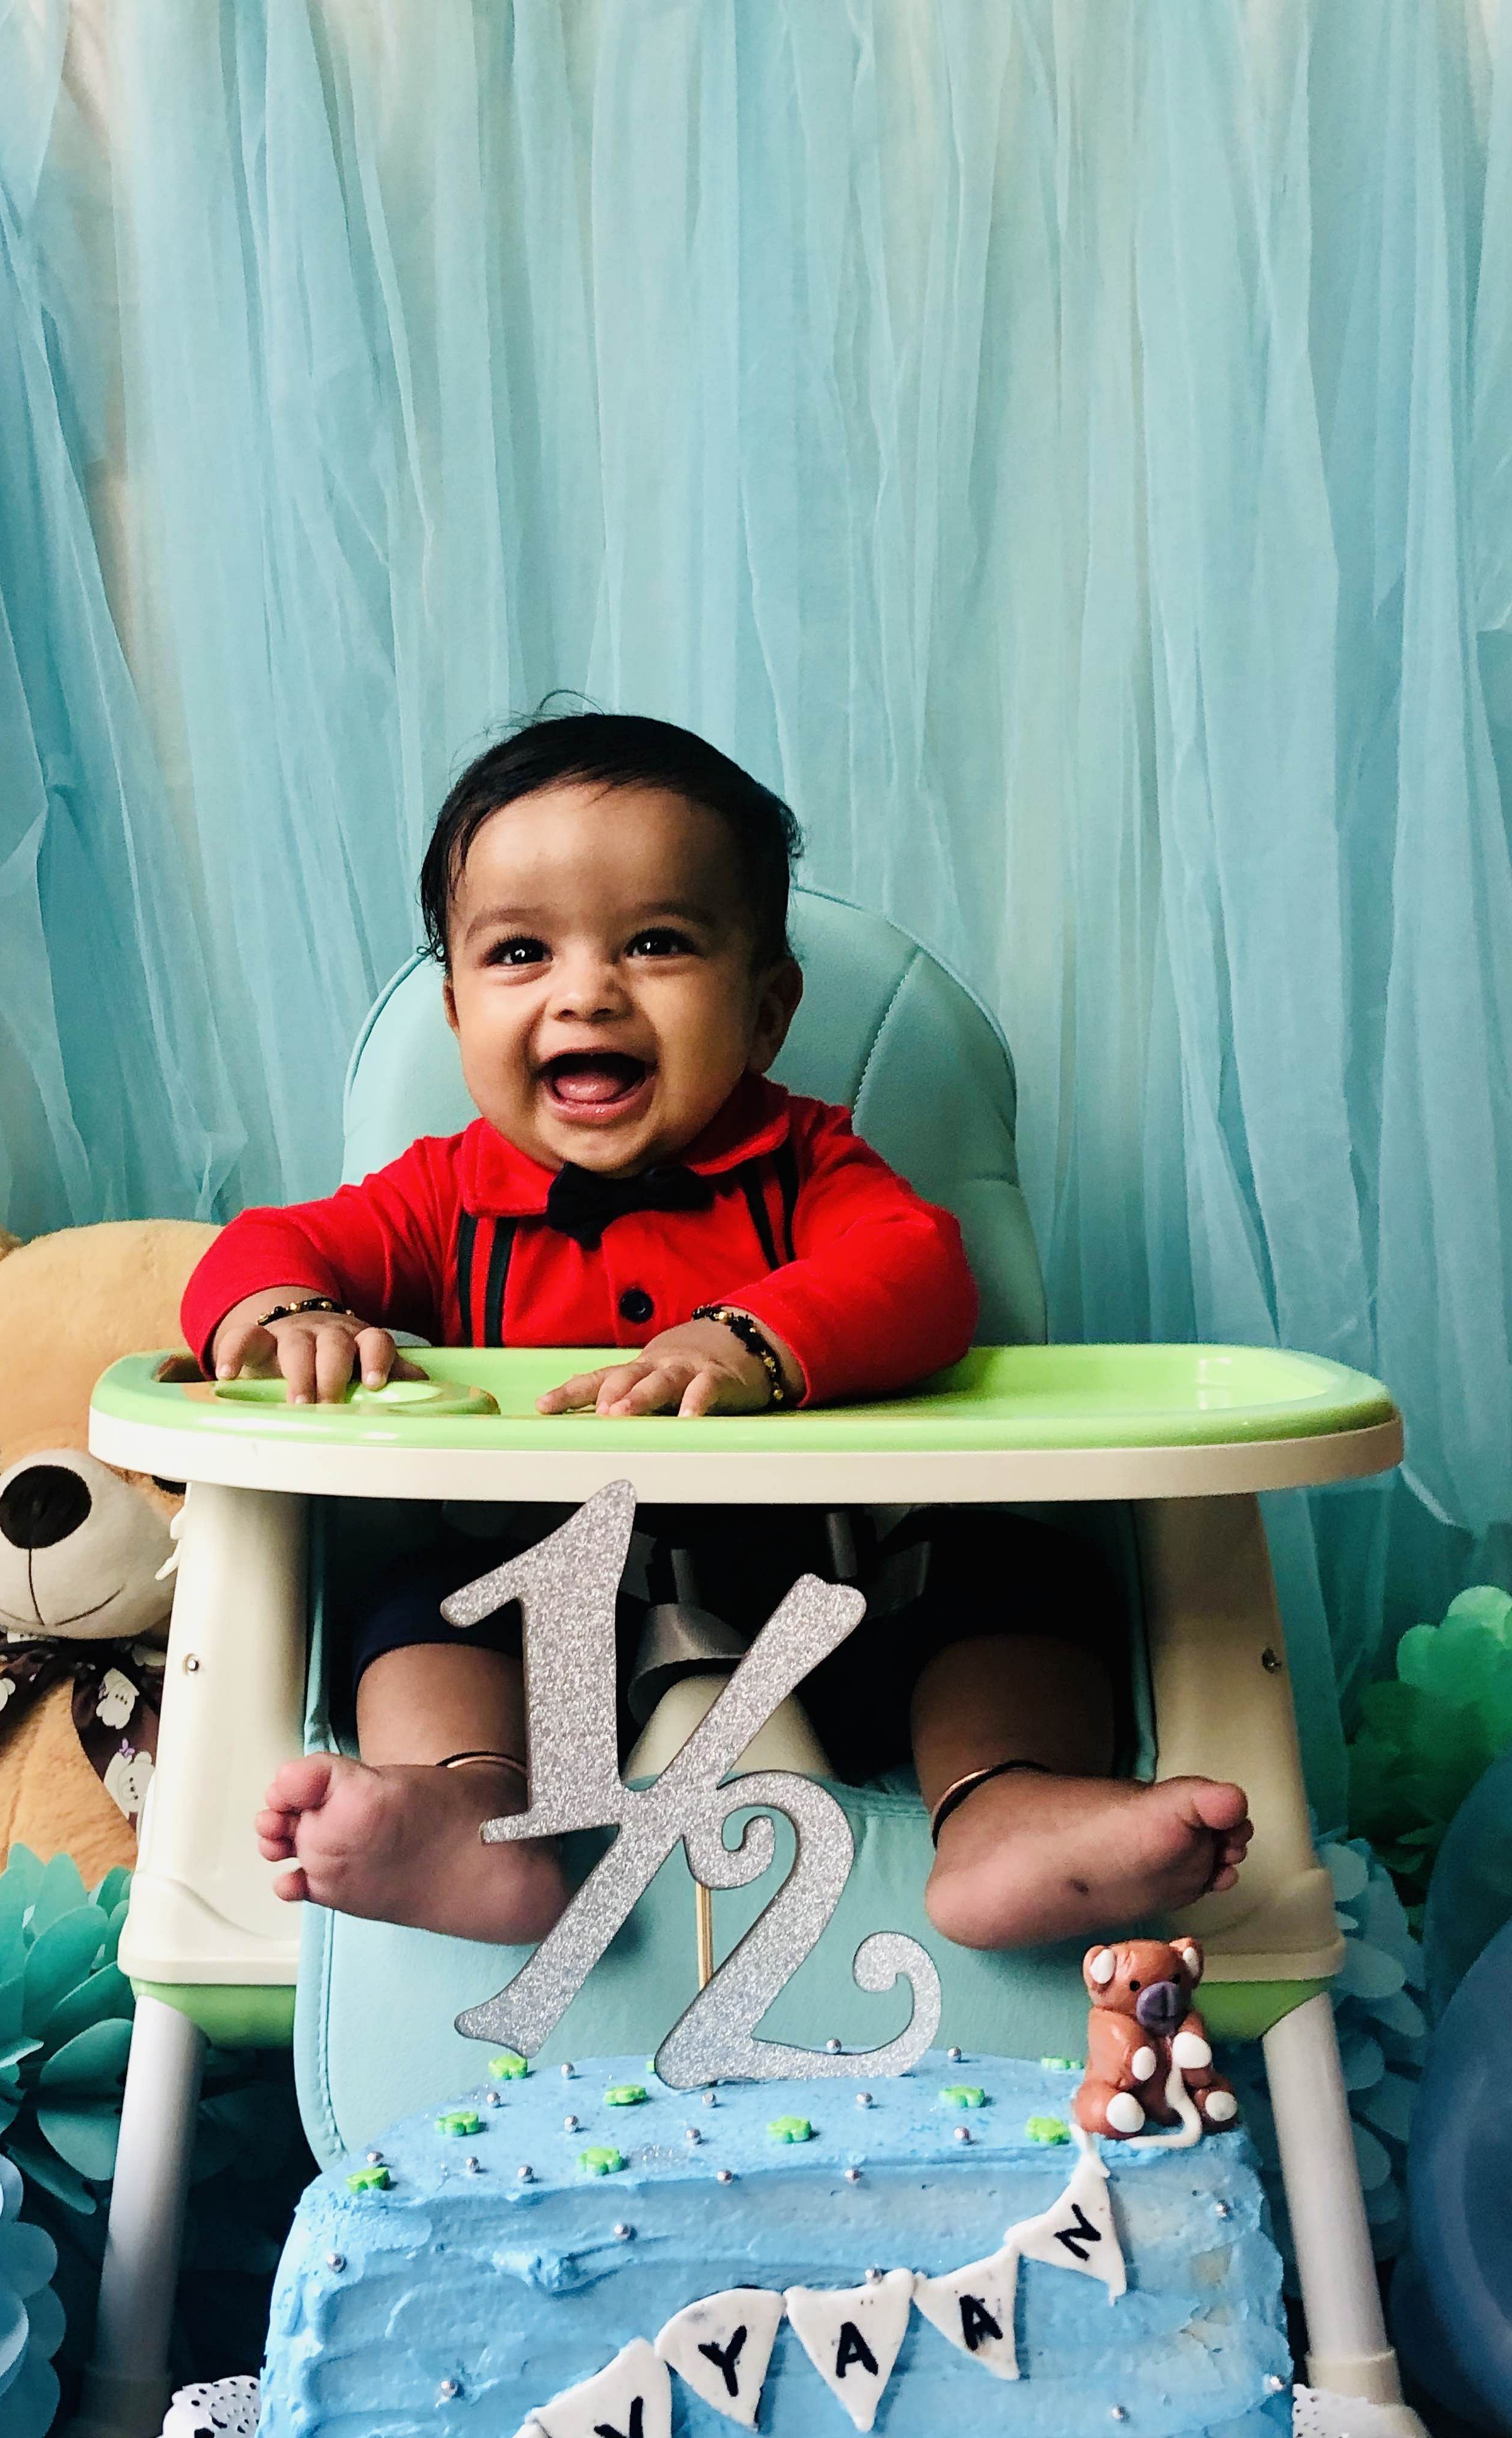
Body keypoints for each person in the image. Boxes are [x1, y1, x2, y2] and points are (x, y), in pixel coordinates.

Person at [180, 712, 1251, 1951]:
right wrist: (288, 1310)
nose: (588, 989)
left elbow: (920, 1271)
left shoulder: (807, 1164)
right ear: (458, 1011)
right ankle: (473, 1811)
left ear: (766, 1010)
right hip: (546, 1643)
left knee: (1023, 1584)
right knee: (418, 1608)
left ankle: (1002, 1807)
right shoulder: (436, 1202)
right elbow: (260, 1246)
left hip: (846, 1619)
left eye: (657, 943)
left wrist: (754, 1338)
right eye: (521, 952)